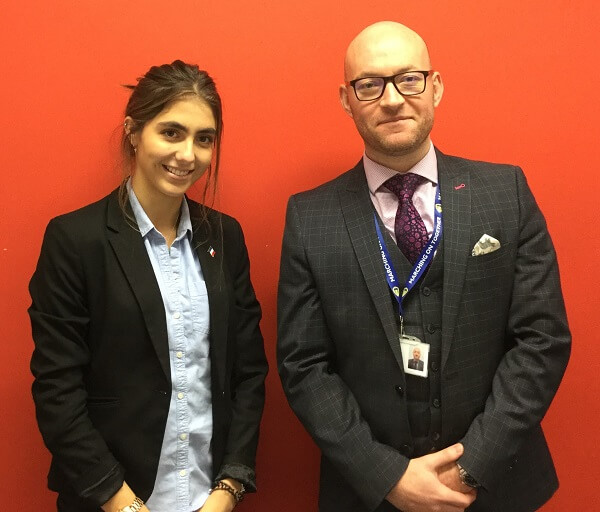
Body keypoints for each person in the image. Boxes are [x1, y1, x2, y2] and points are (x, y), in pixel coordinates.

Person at [277, 21, 570, 512]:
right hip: (370, 495)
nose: (391, 99)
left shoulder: (506, 192)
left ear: (436, 86)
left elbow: (542, 339)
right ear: (346, 99)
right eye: (369, 84)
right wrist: (387, 476)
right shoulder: (310, 217)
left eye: (408, 78)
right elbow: (303, 366)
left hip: (498, 489)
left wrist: (471, 465)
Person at [29, 60, 268, 512]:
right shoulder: (75, 240)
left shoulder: (225, 237)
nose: (188, 154)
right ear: (134, 132)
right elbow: (57, 389)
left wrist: (230, 486)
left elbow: (248, 373)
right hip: (111, 499)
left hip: (207, 498)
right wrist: (122, 503)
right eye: (171, 132)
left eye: (204, 138)